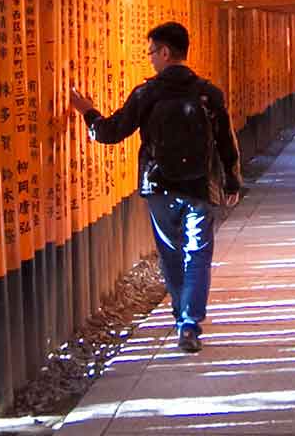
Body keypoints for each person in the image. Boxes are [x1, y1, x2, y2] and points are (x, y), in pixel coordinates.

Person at [67, 21, 241, 353]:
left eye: (151, 52)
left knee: (171, 253)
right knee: (199, 253)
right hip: (200, 186)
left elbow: (112, 131)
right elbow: (224, 141)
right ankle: (189, 322)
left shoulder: (147, 93)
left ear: (165, 52)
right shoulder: (208, 93)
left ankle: (181, 318)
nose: (149, 59)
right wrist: (231, 180)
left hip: (158, 186)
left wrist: (87, 112)